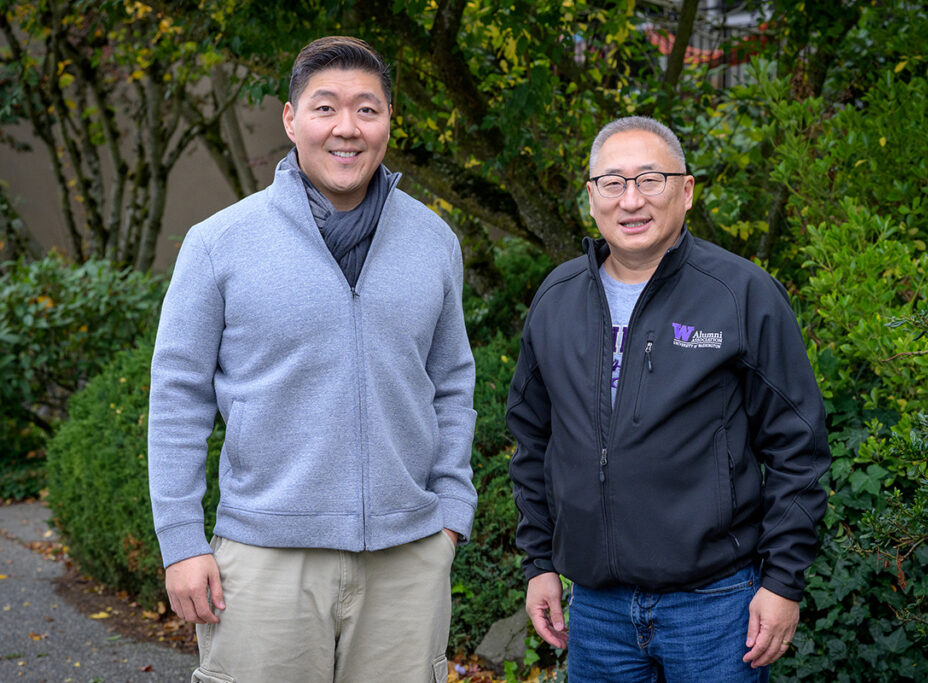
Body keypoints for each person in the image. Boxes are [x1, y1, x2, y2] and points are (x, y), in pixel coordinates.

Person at [147, 36, 477, 683]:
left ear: (389, 121)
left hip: (407, 558)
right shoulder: (219, 244)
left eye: (367, 109)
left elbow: (452, 385)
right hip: (266, 559)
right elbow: (178, 398)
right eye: (325, 108)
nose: (346, 128)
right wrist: (181, 540)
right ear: (291, 120)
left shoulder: (435, 241)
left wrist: (450, 519)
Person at [506, 116, 830, 681]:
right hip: (598, 611)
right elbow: (532, 443)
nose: (631, 199)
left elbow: (797, 447)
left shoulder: (741, 294)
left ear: (686, 190)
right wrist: (539, 564)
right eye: (613, 182)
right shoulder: (555, 300)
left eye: (650, 179)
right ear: (591, 198)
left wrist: (782, 581)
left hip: (716, 605)